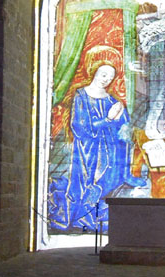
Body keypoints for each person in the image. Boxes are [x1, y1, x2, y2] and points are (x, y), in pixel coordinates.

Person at [49, 61, 141, 232]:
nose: (106, 80)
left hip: (108, 150)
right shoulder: (81, 96)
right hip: (87, 150)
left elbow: (123, 126)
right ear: (94, 72)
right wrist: (108, 119)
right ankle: (83, 213)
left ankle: (95, 207)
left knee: (107, 179)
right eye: (103, 74)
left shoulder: (111, 99)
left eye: (111, 77)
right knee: (86, 181)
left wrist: (121, 114)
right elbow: (80, 127)